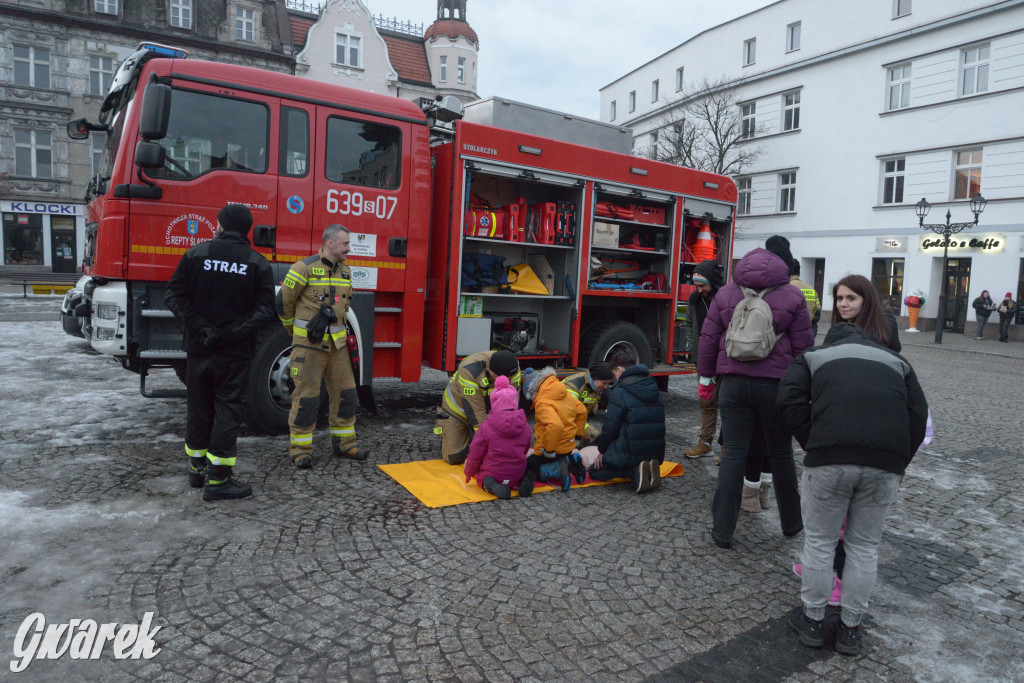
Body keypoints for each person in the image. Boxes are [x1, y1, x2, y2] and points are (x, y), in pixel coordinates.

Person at [778, 322, 928, 656]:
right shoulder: (895, 361)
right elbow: (918, 415)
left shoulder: (814, 356)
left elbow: (788, 399)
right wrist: (898, 459)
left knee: (820, 541)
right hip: (884, 463)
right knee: (864, 545)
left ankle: (813, 621)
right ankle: (850, 629)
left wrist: (813, 441)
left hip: (830, 459)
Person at [697, 235, 813, 549]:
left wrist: (706, 379)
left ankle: (722, 530)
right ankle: (791, 524)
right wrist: (805, 388)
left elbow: (708, 339)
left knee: (734, 454)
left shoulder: (726, 293)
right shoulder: (792, 296)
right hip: (776, 386)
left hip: (733, 385)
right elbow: (804, 348)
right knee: (781, 454)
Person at [165, 204, 275, 501]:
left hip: (199, 348)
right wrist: (230, 334)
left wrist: (200, 328)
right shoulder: (258, 263)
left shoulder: (196, 254)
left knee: (199, 407)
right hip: (235, 352)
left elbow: (173, 295)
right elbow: (265, 311)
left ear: (222, 226)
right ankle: (220, 480)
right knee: (228, 411)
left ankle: (196, 468)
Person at [279, 224, 367, 469]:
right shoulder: (303, 268)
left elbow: (344, 309)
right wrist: (296, 333)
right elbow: (283, 303)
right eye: (345, 244)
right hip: (309, 347)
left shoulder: (346, 272)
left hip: (336, 347)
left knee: (347, 393)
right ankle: (300, 450)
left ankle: (345, 444)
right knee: (306, 398)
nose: (349, 248)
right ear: (330, 243)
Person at [587, 362, 666, 494]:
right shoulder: (652, 386)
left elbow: (610, 428)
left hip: (630, 450)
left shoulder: (620, 391)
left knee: (594, 471)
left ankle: (634, 471)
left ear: (619, 369)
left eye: (614, 375)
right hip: (655, 451)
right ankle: (645, 466)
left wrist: (602, 451)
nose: (614, 379)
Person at [435, 349, 521, 465]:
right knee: (454, 457)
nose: (506, 381)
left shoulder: (512, 367)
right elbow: (476, 413)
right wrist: (490, 443)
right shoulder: (469, 370)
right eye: (500, 377)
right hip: (457, 410)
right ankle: (468, 437)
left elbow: (511, 407)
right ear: (490, 371)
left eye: (509, 378)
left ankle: (474, 439)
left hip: (488, 410)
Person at [520, 367, 587, 496]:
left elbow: (555, 425)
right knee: (561, 455)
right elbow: (582, 411)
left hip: (553, 448)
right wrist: (577, 436)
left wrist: (549, 451)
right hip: (568, 445)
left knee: (530, 465)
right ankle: (575, 465)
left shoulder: (542, 403)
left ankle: (556, 470)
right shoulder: (564, 392)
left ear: (531, 391)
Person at [463, 375, 531, 500]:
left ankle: (490, 485)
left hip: (493, 473)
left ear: (494, 402)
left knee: (483, 478)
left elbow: (475, 453)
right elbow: (526, 449)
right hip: (516, 473)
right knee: (521, 471)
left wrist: (469, 473)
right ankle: (523, 481)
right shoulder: (525, 426)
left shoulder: (486, 426)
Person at [684, 259, 725, 459]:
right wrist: (695, 348)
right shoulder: (694, 299)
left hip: (725, 361)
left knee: (727, 403)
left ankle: (728, 448)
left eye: (703, 286)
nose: (699, 290)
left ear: (713, 282)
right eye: (697, 286)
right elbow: (689, 324)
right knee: (706, 402)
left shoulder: (727, 297)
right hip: (703, 360)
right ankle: (705, 443)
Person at [831, 274, 900, 352]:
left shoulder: (877, 332)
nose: (843, 304)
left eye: (851, 298)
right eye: (839, 298)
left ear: (866, 301)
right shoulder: (841, 329)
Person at [790, 259, 821, 337]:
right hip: (808, 328)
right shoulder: (811, 289)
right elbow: (817, 310)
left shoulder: (785, 287)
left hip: (791, 330)